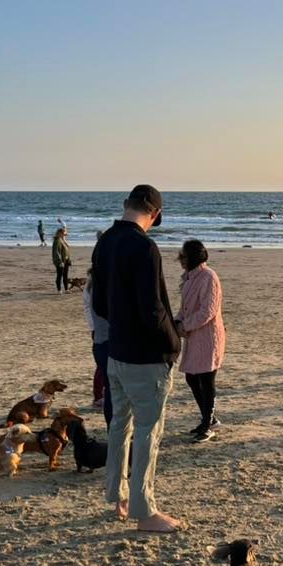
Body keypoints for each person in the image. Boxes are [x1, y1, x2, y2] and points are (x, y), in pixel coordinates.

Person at [91, 184, 181, 533]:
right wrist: (173, 341)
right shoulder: (144, 247)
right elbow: (153, 309)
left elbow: (100, 304)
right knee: (147, 432)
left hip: (117, 353)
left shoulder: (106, 242)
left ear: (126, 205)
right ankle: (145, 511)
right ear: (154, 213)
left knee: (120, 425)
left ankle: (118, 496)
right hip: (146, 356)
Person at [175, 240, 226, 443]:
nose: (180, 258)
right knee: (191, 377)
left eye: (183, 255)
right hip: (194, 336)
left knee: (206, 379)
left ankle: (208, 424)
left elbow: (208, 310)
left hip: (208, 336)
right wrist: (177, 321)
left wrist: (185, 325)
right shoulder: (189, 278)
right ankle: (209, 418)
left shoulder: (209, 277)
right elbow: (185, 307)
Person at [82, 269, 112, 424]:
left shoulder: (93, 284)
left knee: (102, 366)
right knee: (103, 366)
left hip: (100, 330)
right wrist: (93, 327)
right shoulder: (93, 285)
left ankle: (100, 396)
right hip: (101, 331)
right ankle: (99, 396)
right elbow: (88, 307)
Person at [51, 226, 71, 293]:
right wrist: (60, 262)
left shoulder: (62, 240)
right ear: (60, 233)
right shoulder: (57, 241)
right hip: (60, 261)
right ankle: (59, 290)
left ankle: (66, 289)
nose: (65, 235)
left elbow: (66, 250)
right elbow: (56, 252)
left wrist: (68, 260)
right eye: (64, 234)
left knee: (65, 275)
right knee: (59, 275)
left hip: (65, 261)